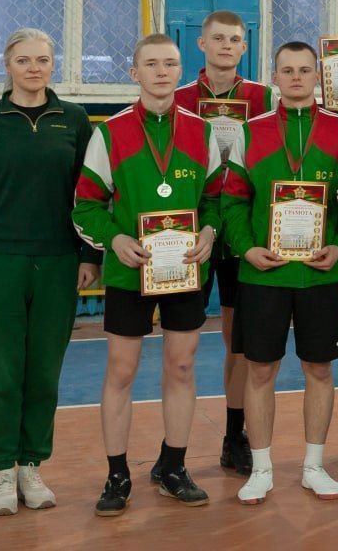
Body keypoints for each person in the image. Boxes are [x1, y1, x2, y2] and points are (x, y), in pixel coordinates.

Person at [0, 28, 97, 516]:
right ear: (8, 65)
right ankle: (1, 471)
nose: (34, 68)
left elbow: (88, 196)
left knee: (44, 371)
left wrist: (89, 255)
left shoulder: (75, 120)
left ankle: (31, 465)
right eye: (24, 60)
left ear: (54, 65)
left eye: (43, 60)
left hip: (58, 262)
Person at [73, 33, 222, 516]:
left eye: (170, 64)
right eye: (152, 64)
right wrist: (114, 239)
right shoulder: (110, 133)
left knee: (181, 366)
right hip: (128, 270)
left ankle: (173, 467)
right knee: (122, 370)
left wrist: (210, 232)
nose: (162, 72)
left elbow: (217, 198)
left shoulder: (201, 132)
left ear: (181, 71)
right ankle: (117, 475)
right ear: (134, 72)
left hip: (184, 270)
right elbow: (86, 205)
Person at [221, 41, 338, 505]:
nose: (296, 77)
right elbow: (233, 201)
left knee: (319, 368)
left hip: (319, 274)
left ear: (318, 77)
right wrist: (247, 249)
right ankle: (261, 469)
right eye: (287, 70)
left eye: (304, 70)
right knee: (260, 370)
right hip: (264, 275)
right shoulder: (250, 131)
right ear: (274, 77)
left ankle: (313, 466)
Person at [173, 9, 274, 478]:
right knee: (182, 344)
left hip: (241, 230)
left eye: (234, 39)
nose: (226, 46)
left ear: (244, 46)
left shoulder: (263, 97)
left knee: (239, 341)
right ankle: (172, 450)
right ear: (202, 43)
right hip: (188, 231)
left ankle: (235, 438)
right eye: (218, 39)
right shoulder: (178, 99)